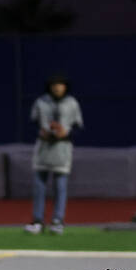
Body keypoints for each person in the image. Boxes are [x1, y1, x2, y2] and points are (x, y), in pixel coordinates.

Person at [25, 74, 83, 236]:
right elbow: (31, 123)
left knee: (60, 187)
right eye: (54, 84)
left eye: (60, 84)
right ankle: (37, 221)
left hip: (62, 149)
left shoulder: (71, 103)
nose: (57, 87)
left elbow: (78, 127)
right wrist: (40, 132)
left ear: (65, 86)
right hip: (43, 148)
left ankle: (57, 221)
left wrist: (66, 133)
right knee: (39, 187)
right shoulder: (41, 102)